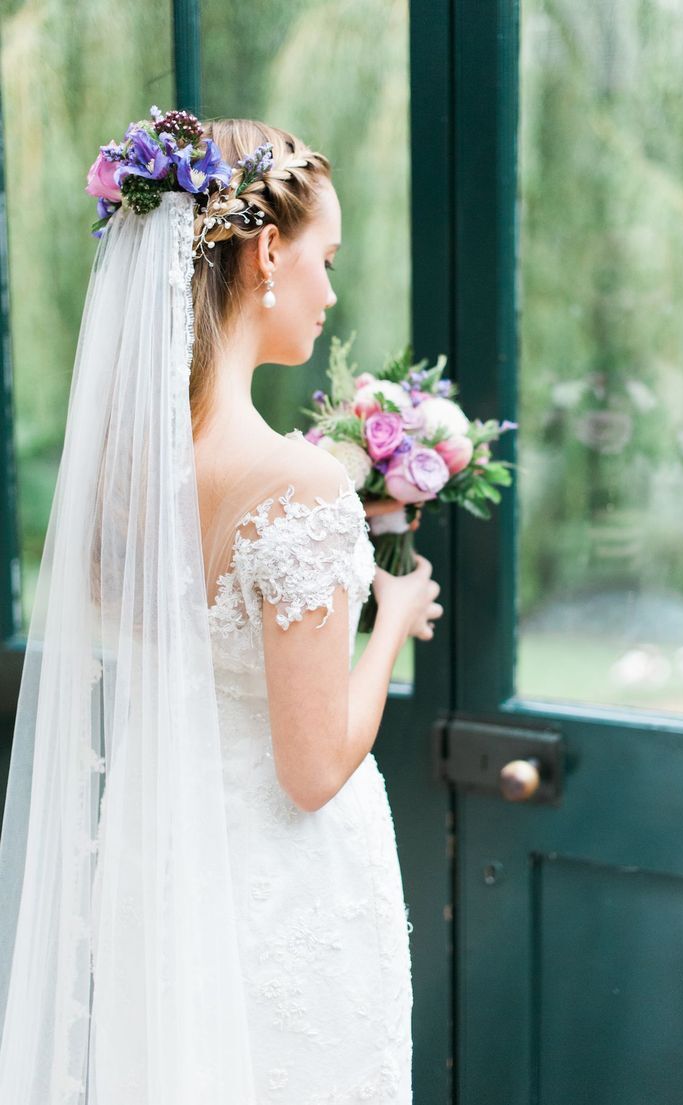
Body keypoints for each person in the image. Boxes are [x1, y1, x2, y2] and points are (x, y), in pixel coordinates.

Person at [0, 111, 442, 1104]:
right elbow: (315, 765)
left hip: (160, 873)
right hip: (280, 897)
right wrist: (394, 621)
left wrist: (332, 530)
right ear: (270, 250)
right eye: (325, 257)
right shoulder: (298, 484)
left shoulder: (125, 474)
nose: (331, 291)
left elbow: (194, 626)